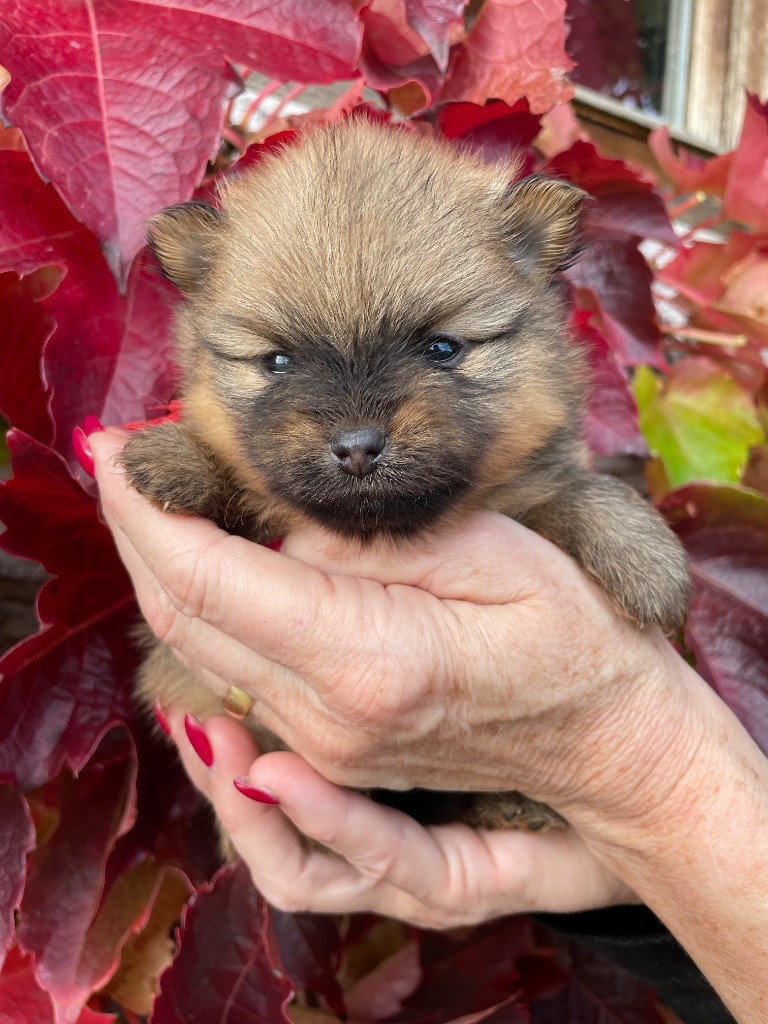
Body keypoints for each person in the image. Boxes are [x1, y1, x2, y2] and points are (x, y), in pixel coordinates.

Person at [90, 428, 768, 1024]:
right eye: (279, 360)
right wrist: (639, 876)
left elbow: (549, 487)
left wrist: (640, 767)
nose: (357, 430)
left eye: (439, 351)